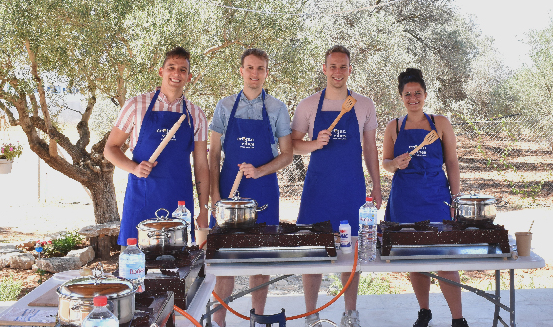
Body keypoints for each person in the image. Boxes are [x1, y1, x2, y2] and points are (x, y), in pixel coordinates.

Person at [292, 45, 382, 327]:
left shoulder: (364, 105)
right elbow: (292, 145)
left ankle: (350, 313)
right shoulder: (308, 105)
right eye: (333, 66)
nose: (337, 72)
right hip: (317, 191)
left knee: (351, 253)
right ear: (324, 69)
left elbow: (370, 149)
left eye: (343, 67)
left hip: (351, 189)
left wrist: (377, 185)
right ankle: (310, 315)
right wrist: (314, 143)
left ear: (350, 70)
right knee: (313, 252)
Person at [208, 48, 294, 327]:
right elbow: (213, 154)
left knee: (261, 258)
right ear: (241, 70)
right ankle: (218, 322)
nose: (254, 73)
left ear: (267, 73)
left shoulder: (277, 108)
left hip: (263, 190)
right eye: (250, 68)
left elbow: (287, 155)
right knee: (224, 261)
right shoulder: (224, 106)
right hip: (228, 192)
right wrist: (215, 196)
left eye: (260, 68)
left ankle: (257, 319)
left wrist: (259, 171)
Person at [382, 68, 468, 327]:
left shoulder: (439, 123)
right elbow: (385, 163)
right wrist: (395, 163)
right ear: (401, 97)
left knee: (445, 258)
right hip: (405, 200)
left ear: (425, 95)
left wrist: (456, 199)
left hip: (436, 196)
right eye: (407, 94)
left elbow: (452, 162)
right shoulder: (394, 126)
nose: (413, 98)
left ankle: (457, 318)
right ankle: (424, 311)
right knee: (415, 259)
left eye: (417, 93)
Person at [104, 46, 209, 246]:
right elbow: (110, 148)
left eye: (183, 70)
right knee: (135, 261)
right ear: (161, 71)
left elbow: (202, 166)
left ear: (189, 77)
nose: (176, 74)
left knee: (179, 262)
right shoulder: (136, 106)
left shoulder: (196, 115)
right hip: (141, 198)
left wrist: (204, 210)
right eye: (171, 68)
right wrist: (134, 168)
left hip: (179, 205)